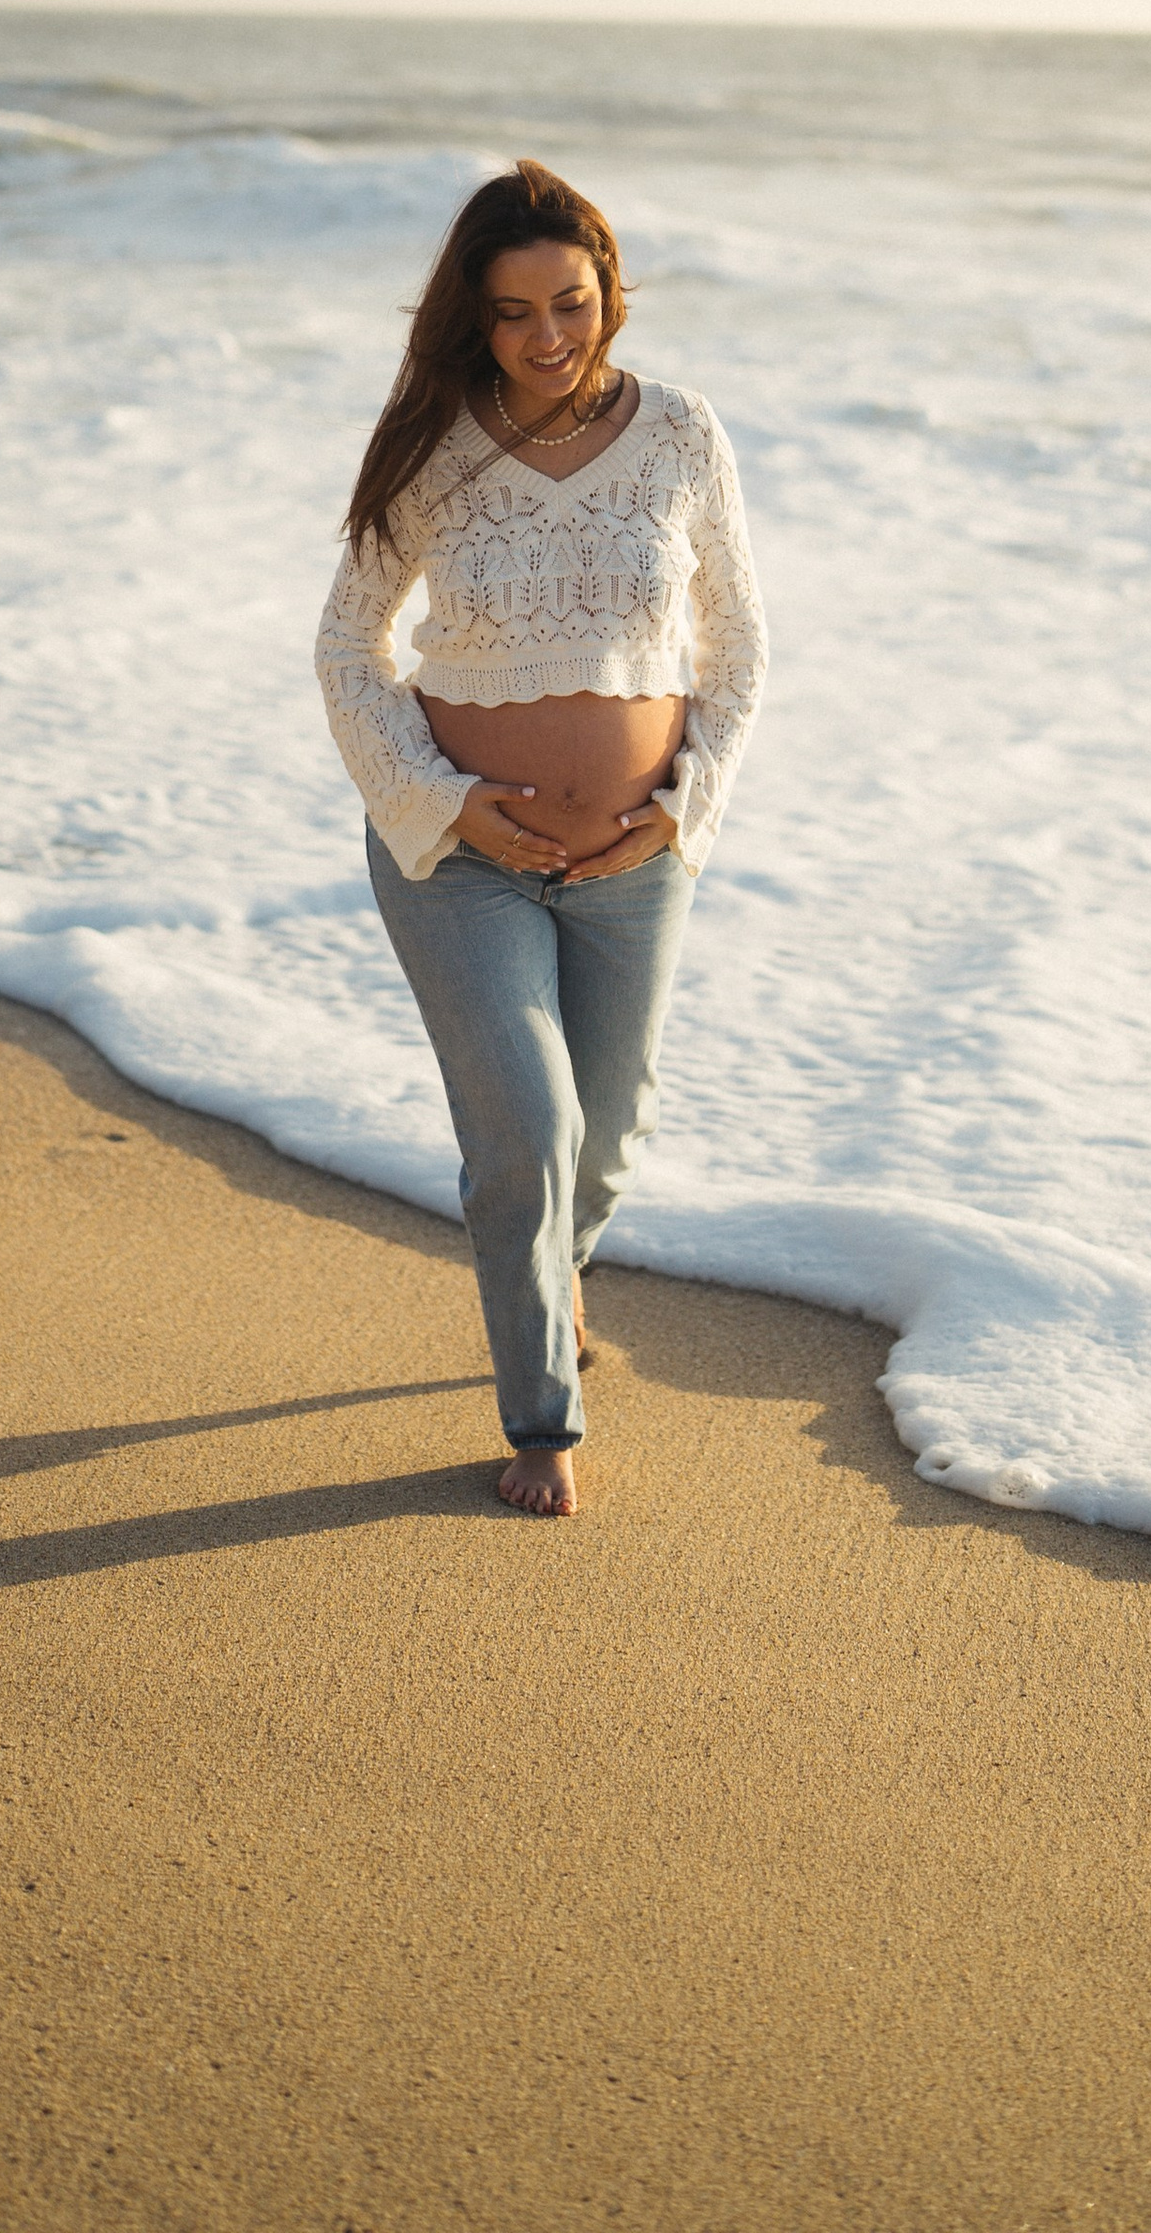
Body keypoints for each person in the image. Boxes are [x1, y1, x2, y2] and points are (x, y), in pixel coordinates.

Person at [315, 159, 767, 1517]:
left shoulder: (683, 433)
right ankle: (541, 1418)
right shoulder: (434, 447)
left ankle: (555, 1267)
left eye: (571, 302)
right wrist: (446, 802)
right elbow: (350, 648)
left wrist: (680, 816)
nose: (550, 335)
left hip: (633, 864)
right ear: (477, 319)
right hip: (462, 863)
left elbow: (739, 646)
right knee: (529, 1129)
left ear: (610, 292)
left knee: (606, 1141)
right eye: (515, 314)